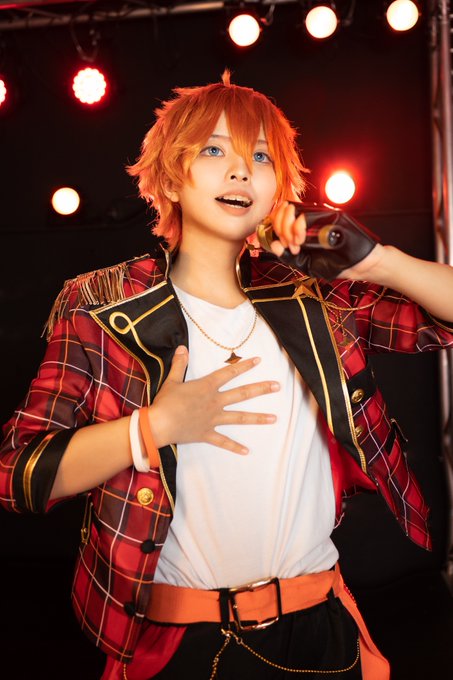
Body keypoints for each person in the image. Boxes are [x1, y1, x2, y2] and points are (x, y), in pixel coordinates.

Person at [1, 71, 453, 680]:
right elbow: (17, 475)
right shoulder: (103, 307)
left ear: (278, 189)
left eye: (260, 157)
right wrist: (151, 429)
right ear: (170, 177)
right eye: (215, 151)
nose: (240, 171)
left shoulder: (314, 295)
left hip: (323, 632)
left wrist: (378, 261)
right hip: (188, 645)